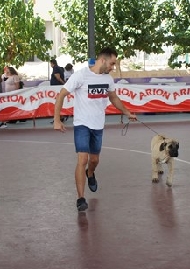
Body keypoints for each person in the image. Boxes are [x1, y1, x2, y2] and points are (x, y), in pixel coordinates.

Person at [53, 47, 137, 211]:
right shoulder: (81, 75)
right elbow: (61, 94)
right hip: (82, 124)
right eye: (112, 63)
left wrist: (127, 112)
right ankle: (81, 198)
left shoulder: (108, 79)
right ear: (103, 60)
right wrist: (57, 120)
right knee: (82, 160)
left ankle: (90, 173)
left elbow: (113, 97)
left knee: (94, 161)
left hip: (98, 125)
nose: (113, 67)